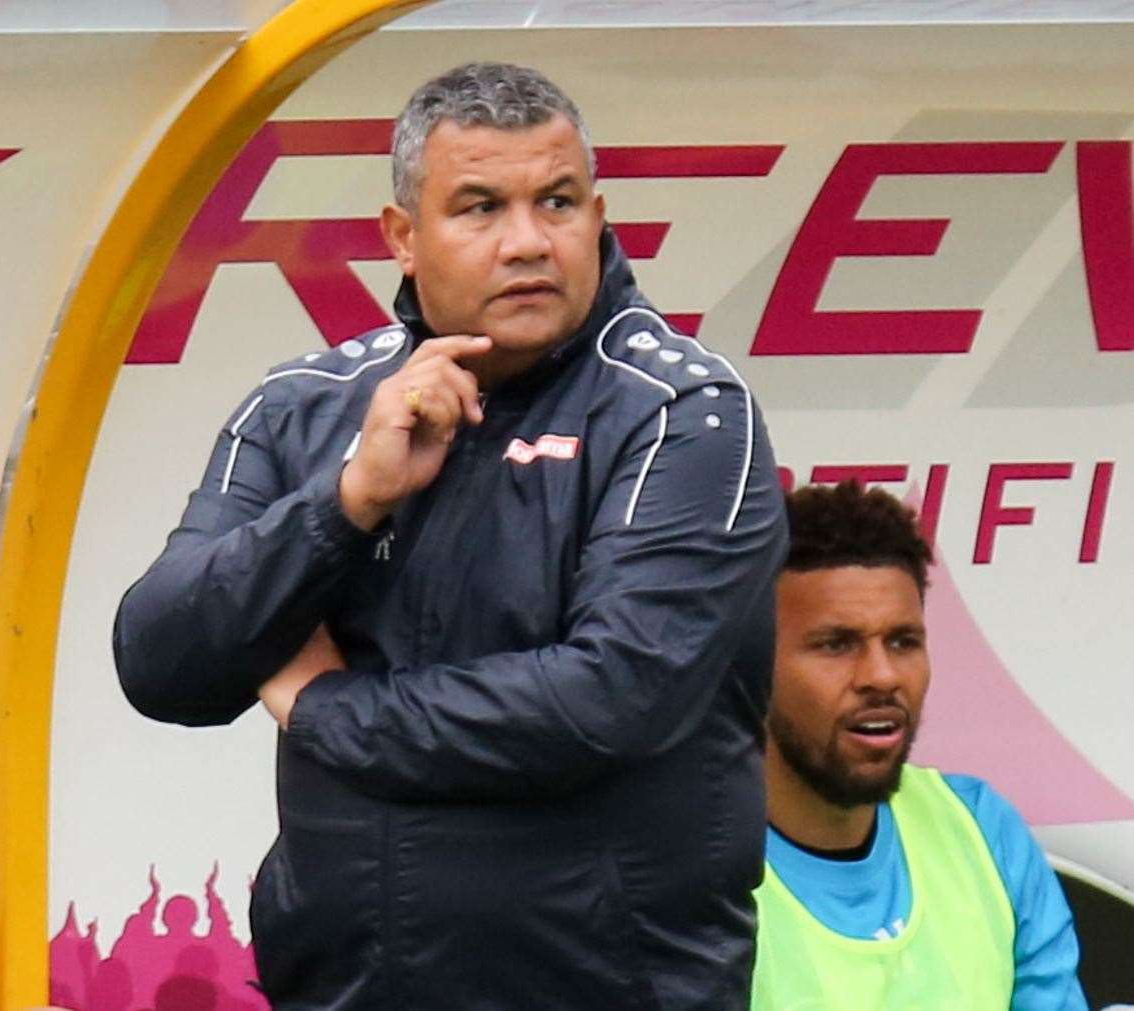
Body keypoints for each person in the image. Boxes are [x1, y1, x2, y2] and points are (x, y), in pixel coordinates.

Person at [115, 61, 786, 1009]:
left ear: (598, 216)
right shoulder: (304, 407)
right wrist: (346, 503)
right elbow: (160, 661)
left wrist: (323, 708)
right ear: (402, 236)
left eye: (556, 202)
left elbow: (607, 698)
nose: (527, 242)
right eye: (478, 207)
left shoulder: (683, 408)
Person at [752, 481, 1086, 1010]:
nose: (882, 676)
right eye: (836, 645)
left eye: (903, 642)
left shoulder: (980, 829)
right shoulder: (682, 869)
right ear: (750, 663)